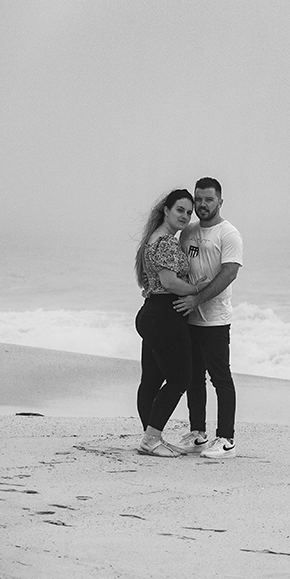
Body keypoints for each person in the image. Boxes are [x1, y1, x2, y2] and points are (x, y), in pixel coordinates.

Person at [133, 189, 211, 457]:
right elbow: (168, 282)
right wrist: (196, 289)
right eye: (180, 209)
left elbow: (154, 282)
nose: (185, 216)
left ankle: (151, 437)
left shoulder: (151, 239)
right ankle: (151, 438)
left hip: (152, 311)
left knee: (152, 380)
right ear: (165, 210)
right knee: (181, 378)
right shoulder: (165, 242)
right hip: (165, 314)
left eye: (188, 212)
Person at [172, 177, 244, 459]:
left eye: (208, 200)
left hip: (215, 319)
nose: (202, 205)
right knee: (193, 378)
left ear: (220, 202)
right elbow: (179, 269)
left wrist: (196, 299)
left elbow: (228, 274)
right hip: (189, 318)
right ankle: (198, 434)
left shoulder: (229, 234)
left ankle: (226, 440)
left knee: (221, 378)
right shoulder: (187, 232)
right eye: (198, 199)